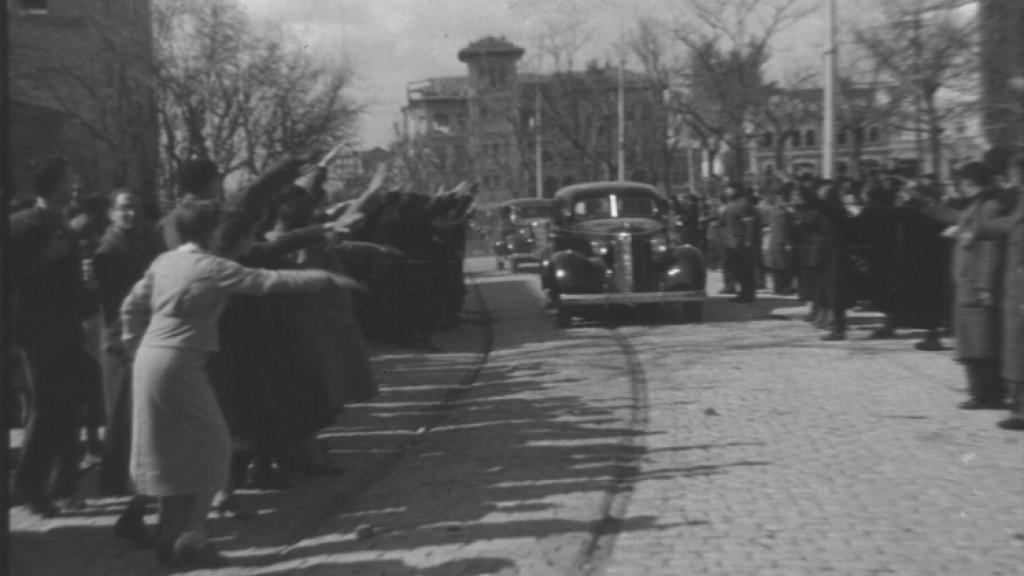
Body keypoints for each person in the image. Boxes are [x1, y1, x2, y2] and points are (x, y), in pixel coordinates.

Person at [121, 200, 363, 568]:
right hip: (182, 363)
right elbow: (267, 281)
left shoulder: (164, 261)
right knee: (216, 445)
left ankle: (168, 534)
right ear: (208, 231)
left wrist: (133, 343)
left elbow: (130, 306)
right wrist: (322, 278)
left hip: (148, 360)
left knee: (168, 448)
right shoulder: (212, 267)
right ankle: (194, 538)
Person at [8, 157, 101, 516]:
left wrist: (86, 294)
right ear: (50, 185)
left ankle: (64, 484)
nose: (74, 186)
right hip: (38, 333)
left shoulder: (64, 225)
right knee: (47, 409)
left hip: (67, 330)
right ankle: (31, 489)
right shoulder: (20, 225)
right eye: (68, 179)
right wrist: (46, 259)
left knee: (73, 404)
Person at [92, 188, 163, 544]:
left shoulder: (141, 243)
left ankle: (133, 484)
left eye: (134, 207)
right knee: (122, 415)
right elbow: (112, 304)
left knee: (135, 417)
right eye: (123, 208)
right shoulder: (108, 251)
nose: (130, 214)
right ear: (111, 213)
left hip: (141, 335)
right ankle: (117, 480)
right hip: (121, 341)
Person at [949, 162, 1014, 410]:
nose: (962, 187)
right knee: (972, 340)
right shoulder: (979, 205)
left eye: (964, 181)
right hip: (968, 281)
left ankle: (988, 394)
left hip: (976, 283)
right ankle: (980, 391)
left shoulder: (988, 207)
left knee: (981, 341)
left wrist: (985, 285)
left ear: (972, 181)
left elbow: (991, 249)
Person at [722, 189, 762, 303]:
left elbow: (748, 223)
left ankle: (747, 294)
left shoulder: (739, 205)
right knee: (741, 270)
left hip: (738, 243)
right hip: (736, 243)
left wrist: (748, 241)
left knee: (743, 270)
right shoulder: (737, 205)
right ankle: (745, 293)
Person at [763, 183, 796, 295]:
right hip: (783, 242)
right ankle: (784, 288)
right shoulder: (785, 211)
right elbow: (788, 228)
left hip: (775, 242)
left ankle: (778, 288)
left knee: (777, 266)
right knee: (783, 265)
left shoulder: (774, 209)